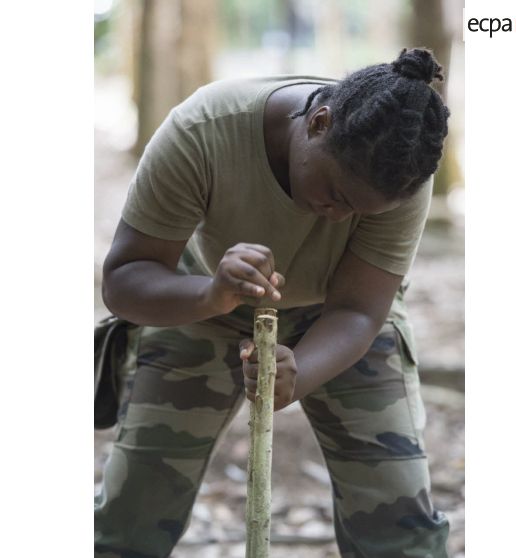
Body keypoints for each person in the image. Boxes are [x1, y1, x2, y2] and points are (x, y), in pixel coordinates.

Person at [95, 47, 451, 558]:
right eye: (334, 192)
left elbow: (359, 310)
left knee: (398, 523)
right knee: (133, 512)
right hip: (199, 302)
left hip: (339, 318)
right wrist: (212, 294)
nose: (335, 217)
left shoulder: (401, 175)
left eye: (356, 212)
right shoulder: (206, 129)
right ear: (319, 122)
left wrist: (299, 372)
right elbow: (124, 280)